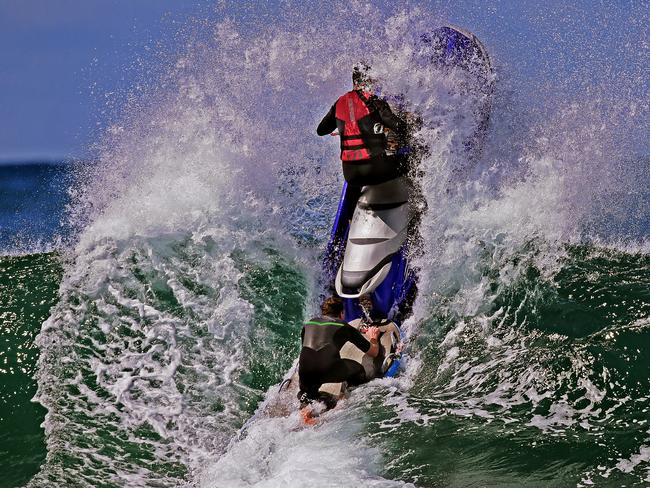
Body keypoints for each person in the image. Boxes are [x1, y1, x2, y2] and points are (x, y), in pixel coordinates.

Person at [316, 63, 409, 187]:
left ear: (354, 82)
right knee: (413, 157)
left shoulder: (339, 102)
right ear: (368, 81)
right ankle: (418, 204)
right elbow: (400, 127)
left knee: (356, 161)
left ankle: (350, 203)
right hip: (377, 171)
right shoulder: (374, 100)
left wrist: (345, 128)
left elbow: (321, 131)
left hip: (351, 176)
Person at [298, 295, 380, 421]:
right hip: (327, 367)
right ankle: (345, 401)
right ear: (341, 313)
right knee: (358, 369)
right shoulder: (343, 325)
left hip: (304, 369)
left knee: (310, 393)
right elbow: (373, 352)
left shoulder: (308, 323)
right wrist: (373, 337)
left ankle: (306, 411)